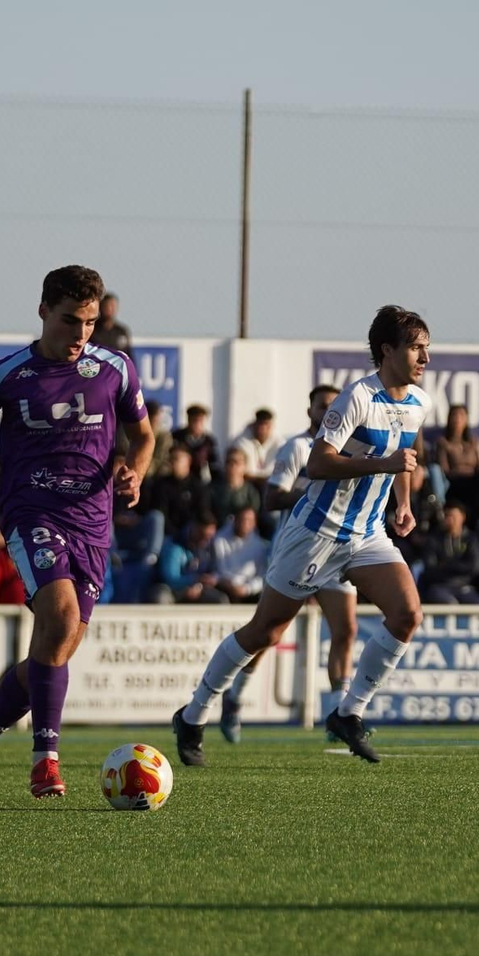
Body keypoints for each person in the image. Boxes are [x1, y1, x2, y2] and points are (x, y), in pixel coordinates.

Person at [0, 265, 153, 800]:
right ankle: (46, 762)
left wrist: (135, 471)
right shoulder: (8, 374)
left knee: (55, 647)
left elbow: (144, 436)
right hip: (32, 513)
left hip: (93, 522)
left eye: (89, 322)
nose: (80, 333)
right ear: (43, 311)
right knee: (60, 619)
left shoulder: (115, 369)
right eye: (69, 320)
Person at [174, 305, 429, 766]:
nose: (425, 358)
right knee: (265, 631)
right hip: (316, 532)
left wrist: (404, 503)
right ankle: (194, 714)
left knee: (407, 614)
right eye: (415, 348)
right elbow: (317, 463)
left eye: (427, 348)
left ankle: (348, 713)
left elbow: (403, 458)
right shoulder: (356, 398)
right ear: (387, 350)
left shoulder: (419, 403)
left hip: (367, 533)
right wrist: (382, 464)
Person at [259, 382, 358, 729]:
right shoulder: (298, 447)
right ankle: (235, 696)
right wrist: (313, 496)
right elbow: (271, 499)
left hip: (336, 550)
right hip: (298, 549)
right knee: (268, 632)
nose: (328, 410)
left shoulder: (351, 450)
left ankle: (340, 714)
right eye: (321, 405)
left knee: (346, 630)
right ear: (310, 411)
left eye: (334, 404)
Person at [432, 403, 479, 524]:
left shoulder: (473, 441)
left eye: (461, 416)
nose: (457, 419)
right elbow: (444, 470)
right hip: (454, 481)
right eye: (454, 416)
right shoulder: (443, 442)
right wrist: (463, 470)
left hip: (473, 480)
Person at [416, 501, 479, 605]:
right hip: (439, 586)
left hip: (464, 586)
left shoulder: (471, 539)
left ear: (462, 517)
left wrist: (446, 565)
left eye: (453, 516)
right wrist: (458, 567)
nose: (448, 519)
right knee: (447, 603)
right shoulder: (433, 539)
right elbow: (430, 568)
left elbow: (474, 567)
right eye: (446, 515)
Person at [151, 516, 227, 605]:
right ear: (193, 528)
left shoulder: (210, 546)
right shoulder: (174, 545)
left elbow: (213, 571)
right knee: (161, 597)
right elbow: (170, 579)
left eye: (209, 536)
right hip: (171, 589)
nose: (206, 540)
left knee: (221, 600)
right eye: (202, 535)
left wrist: (202, 584)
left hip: (198, 588)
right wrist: (195, 580)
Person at [211, 506, 269, 602]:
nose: (245, 523)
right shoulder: (219, 540)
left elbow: (262, 576)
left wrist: (247, 589)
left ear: (254, 524)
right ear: (235, 520)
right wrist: (230, 585)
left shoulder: (260, 546)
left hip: (248, 590)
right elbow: (219, 570)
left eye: (249, 520)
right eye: (242, 519)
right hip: (224, 586)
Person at [229, 409, 284, 484]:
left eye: (267, 426)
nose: (263, 430)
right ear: (254, 425)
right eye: (260, 425)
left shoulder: (279, 443)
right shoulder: (240, 442)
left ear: (271, 426)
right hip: (246, 483)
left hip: (270, 483)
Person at [209, 446, 261, 524]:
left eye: (237, 462)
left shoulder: (252, 492)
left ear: (245, 466)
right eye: (229, 461)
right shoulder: (212, 489)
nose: (233, 466)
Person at [172, 403, 219, 483]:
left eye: (200, 421)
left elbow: (214, 466)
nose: (197, 424)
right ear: (188, 420)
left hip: (198, 481)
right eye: (195, 420)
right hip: (177, 480)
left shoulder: (208, 441)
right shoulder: (177, 437)